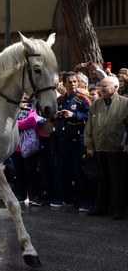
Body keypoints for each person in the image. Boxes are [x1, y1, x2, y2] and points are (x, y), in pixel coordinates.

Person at [84, 76, 128, 219]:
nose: (101, 89)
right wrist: (89, 145)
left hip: (117, 148)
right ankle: (100, 207)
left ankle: (118, 208)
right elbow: (89, 126)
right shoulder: (95, 104)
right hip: (100, 147)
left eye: (105, 86)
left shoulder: (125, 103)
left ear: (116, 88)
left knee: (118, 180)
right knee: (101, 180)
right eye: (101, 86)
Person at [50, 71, 91, 210]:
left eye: (75, 81)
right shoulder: (60, 99)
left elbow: (91, 117)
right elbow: (52, 120)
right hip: (62, 141)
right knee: (62, 171)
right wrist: (55, 117)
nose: (73, 84)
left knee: (79, 172)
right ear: (64, 84)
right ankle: (64, 198)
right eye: (70, 82)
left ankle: (87, 200)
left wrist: (74, 115)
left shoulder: (83, 98)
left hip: (78, 141)